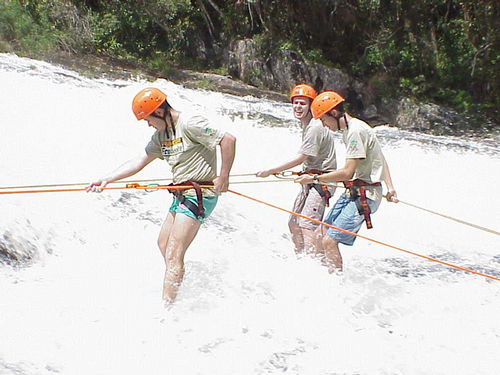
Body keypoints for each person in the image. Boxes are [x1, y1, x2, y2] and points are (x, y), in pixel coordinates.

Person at [86, 87, 236, 305]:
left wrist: (224, 177)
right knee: (163, 244)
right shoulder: (161, 135)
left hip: (200, 193)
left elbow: (228, 140)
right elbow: (138, 161)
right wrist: (107, 179)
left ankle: (168, 310)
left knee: (174, 253)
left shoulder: (189, 122)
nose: (148, 124)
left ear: (158, 111)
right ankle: (180, 284)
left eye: (147, 119)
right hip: (180, 194)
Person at [294, 90, 397, 272]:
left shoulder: (355, 132)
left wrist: (315, 178)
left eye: (324, 120)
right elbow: (381, 157)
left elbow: (347, 173)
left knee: (329, 241)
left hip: (366, 196)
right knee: (319, 234)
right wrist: (390, 188)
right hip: (354, 193)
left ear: (334, 113)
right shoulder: (351, 129)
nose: (325, 126)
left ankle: (336, 284)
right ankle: (320, 275)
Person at [256, 83, 337, 253]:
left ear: (311, 106)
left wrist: (270, 171)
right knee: (294, 223)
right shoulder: (307, 123)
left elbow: (302, 157)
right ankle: (301, 257)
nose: (298, 107)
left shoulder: (315, 127)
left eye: (303, 104)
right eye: (295, 103)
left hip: (322, 180)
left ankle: (314, 262)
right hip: (310, 178)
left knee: (307, 224)